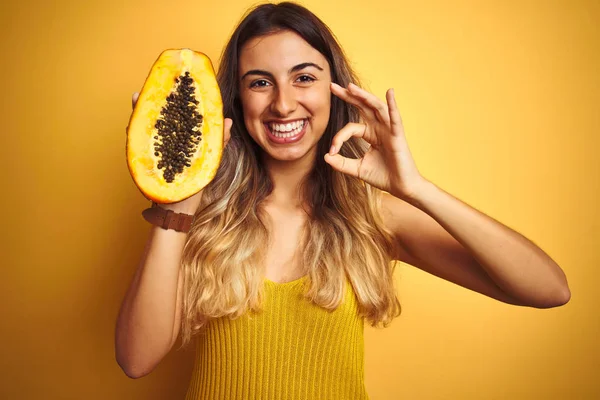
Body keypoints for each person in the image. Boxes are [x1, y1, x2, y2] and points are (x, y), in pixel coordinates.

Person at [115, 2, 571, 399]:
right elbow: (136, 360)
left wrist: (416, 188)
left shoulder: (371, 217)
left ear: (335, 89)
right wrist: (176, 197)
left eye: (304, 77)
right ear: (235, 99)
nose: (283, 103)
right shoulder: (202, 216)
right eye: (260, 83)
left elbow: (548, 289)